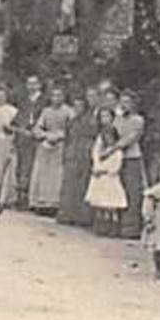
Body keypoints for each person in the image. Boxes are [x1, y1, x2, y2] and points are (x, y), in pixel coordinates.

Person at [28, 84, 74, 214]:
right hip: (46, 144)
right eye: (54, 95)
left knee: (57, 174)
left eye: (59, 95)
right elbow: (37, 127)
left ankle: (55, 203)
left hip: (60, 145)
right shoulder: (46, 111)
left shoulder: (68, 111)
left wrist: (59, 136)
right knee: (43, 173)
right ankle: (42, 202)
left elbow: (72, 129)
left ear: (64, 97)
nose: (56, 98)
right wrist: (44, 135)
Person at [57, 87, 96, 227]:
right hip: (71, 154)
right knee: (69, 185)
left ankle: (82, 217)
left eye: (80, 105)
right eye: (75, 105)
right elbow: (68, 138)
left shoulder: (90, 120)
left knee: (82, 186)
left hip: (84, 154)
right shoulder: (72, 121)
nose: (77, 108)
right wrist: (65, 154)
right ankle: (66, 214)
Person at [87, 107, 127, 235]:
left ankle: (113, 227)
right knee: (100, 203)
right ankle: (100, 226)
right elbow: (95, 154)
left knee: (111, 205)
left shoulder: (116, 152)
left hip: (110, 179)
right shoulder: (100, 148)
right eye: (105, 137)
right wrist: (96, 167)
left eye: (110, 137)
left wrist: (103, 170)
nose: (107, 139)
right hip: (100, 179)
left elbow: (115, 167)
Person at [115, 91, 147, 239]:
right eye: (122, 101)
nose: (124, 104)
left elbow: (131, 138)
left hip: (131, 157)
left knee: (132, 192)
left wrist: (113, 147)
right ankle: (118, 225)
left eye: (127, 102)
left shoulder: (138, 120)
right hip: (117, 158)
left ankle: (132, 228)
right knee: (118, 190)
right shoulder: (118, 119)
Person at [11, 75, 45, 208]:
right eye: (29, 84)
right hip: (23, 137)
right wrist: (20, 129)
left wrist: (36, 131)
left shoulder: (44, 101)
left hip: (38, 138)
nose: (31, 86)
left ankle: (35, 199)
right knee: (22, 167)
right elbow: (17, 120)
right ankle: (21, 197)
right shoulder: (23, 101)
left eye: (34, 84)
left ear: (39, 85)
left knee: (35, 167)